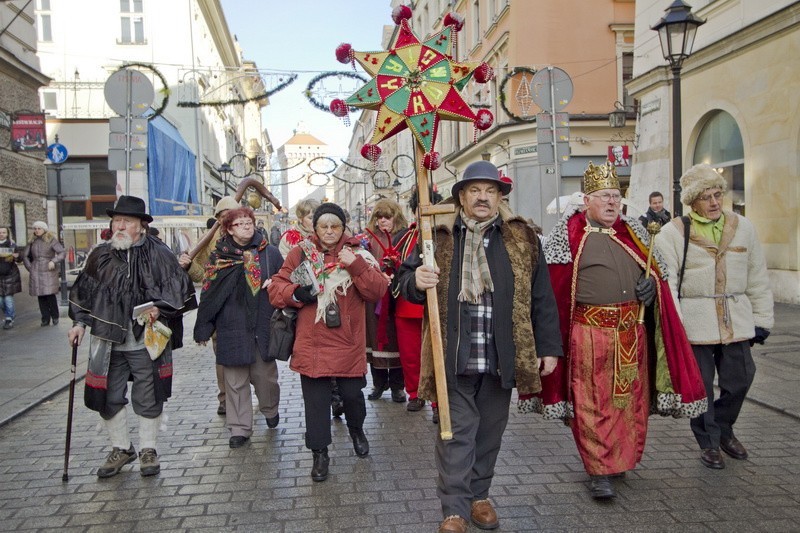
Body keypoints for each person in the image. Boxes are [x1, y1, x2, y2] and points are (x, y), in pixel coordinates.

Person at [395, 161, 563, 533]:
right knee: (456, 433)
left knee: (490, 432)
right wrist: (415, 280)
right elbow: (401, 281)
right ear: (461, 198)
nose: (483, 197)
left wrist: (548, 347)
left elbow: (542, 297)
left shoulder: (522, 238)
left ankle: (480, 496)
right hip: (453, 355)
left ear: (501, 196)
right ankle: (454, 509)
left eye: (490, 190)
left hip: (502, 354)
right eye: (474, 190)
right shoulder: (435, 236)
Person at [532, 161, 707, 500]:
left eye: (616, 196)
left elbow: (656, 274)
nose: (612, 202)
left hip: (633, 331)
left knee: (628, 401)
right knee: (593, 402)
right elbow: (552, 289)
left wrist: (652, 288)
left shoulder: (636, 233)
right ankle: (599, 470)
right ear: (587, 201)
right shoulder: (566, 237)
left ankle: (621, 459)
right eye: (604, 197)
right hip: (590, 333)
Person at [67, 195, 196, 478]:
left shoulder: (159, 253)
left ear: (141, 225)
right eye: (116, 220)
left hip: (145, 341)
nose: (120, 225)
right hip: (108, 341)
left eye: (126, 221)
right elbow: (82, 294)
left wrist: (158, 309)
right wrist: (79, 323)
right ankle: (121, 448)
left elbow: (178, 291)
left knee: (148, 395)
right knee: (108, 396)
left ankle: (148, 449)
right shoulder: (100, 256)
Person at [656, 164, 773, 469]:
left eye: (717, 194)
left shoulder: (743, 227)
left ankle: (724, 428)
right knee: (701, 387)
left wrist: (762, 319)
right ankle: (708, 441)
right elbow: (666, 282)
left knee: (742, 378)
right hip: (695, 322)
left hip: (736, 320)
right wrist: (677, 324)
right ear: (692, 201)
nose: (713, 202)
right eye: (705, 196)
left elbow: (757, 275)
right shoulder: (673, 233)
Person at [268, 203, 387, 482]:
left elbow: (377, 290)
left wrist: (355, 265)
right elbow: (276, 288)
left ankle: (356, 428)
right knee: (316, 403)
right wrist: (298, 294)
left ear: (343, 227)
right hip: (312, 342)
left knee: (352, 396)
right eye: (324, 226)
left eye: (335, 226)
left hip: (348, 341)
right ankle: (319, 452)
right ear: (315, 228)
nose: (330, 231)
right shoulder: (301, 254)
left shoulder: (358, 253)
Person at [194, 206, 284, 448]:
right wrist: (204, 327)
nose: (246, 226)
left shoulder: (270, 253)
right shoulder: (219, 256)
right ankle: (240, 428)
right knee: (234, 382)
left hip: (262, 325)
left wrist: (274, 283)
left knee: (265, 378)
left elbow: (287, 280)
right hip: (231, 326)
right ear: (229, 229)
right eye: (239, 223)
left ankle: (269, 408)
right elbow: (209, 293)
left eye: (249, 221)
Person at [179, 196, 240, 416]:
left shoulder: (250, 236)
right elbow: (201, 275)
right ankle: (225, 398)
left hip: (245, 306)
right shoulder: (210, 242)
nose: (229, 221)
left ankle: (247, 393)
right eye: (224, 217)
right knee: (222, 354)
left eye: (232, 216)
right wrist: (188, 266)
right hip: (219, 306)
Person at [389, 186, 443, 421]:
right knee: (411, 356)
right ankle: (415, 394)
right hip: (406, 306)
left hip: (436, 307)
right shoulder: (404, 236)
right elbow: (394, 262)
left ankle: (438, 401)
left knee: (437, 355)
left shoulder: (445, 234)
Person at [364, 198, 408, 403]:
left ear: (395, 217)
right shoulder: (369, 239)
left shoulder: (405, 236)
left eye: (387, 217)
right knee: (376, 340)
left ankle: (399, 387)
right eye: (379, 217)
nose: (382, 221)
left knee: (398, 340)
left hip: (397, 295)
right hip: (375, 298)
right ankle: (379, 384)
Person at [23, 221, 65, 326]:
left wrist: (53, 261)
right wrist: (30, 267)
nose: (37, 230)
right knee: (40, 295)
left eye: (39, 228)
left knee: (50, 294)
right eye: (35, 228)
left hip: (48, 269)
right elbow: (25, 256)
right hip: (36, 269)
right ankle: (45, 318)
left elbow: (62, 252)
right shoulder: (32, 241)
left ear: (44, 229)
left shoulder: (51, 240)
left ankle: (55, 316)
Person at [0, 227, 22, 329]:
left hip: (9, 275)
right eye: (0, 232)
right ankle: (8, 314)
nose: (1, 234)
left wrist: (16, 256)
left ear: (7, 233)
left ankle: (9, 318)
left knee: (8, 299)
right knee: (1, 300)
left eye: (4, 232)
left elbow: (19, 258)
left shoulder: (12, 245)